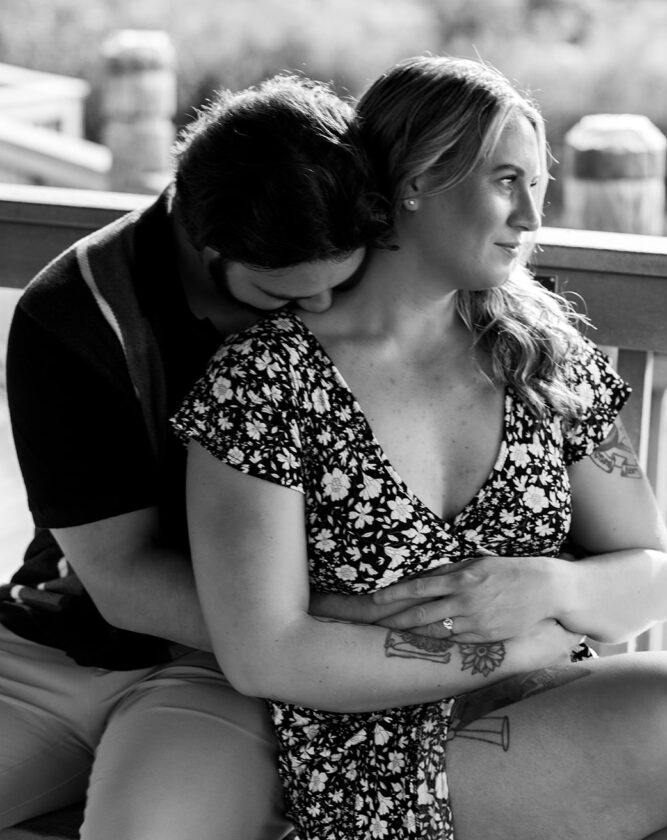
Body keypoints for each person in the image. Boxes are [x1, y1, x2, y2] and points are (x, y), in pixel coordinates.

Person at [174, 55, 667, 840]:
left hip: (551, 716)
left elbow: (652, 576)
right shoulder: (266, 379)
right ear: (415, 179)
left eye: (537, 187)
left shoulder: (539, 356)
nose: (532, 220)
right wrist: (514, 646)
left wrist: (545, 588)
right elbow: (266, 654)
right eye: (506, 182)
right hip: (369, 759)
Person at [0, 73, 389, 838]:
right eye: (285, 296)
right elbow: (123, 580)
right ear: (204, 241)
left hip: (229, 673)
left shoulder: (353, 287)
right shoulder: (74, 316)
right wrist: (324, 634)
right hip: (57, 644)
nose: (320, 314)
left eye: (336, 287)